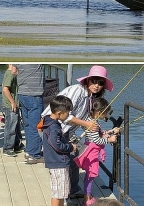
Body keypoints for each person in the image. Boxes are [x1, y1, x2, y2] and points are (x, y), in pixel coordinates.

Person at [41, 65, 114, 199]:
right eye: (94, 81)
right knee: (63, 163)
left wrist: (102, 132)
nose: (96, 85)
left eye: (100, 83)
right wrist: (86, 124)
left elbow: (85, 118)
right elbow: (65, 114)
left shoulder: (90, 97)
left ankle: (72, 189)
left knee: (74, 157)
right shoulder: (78, 91)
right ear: (87, 80)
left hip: (66, 130)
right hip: (55, 128)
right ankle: (65, 193)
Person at [74, 98, 119, 205]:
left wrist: (110, 131)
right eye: (106, 113)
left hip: (91, 150)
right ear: (99, 112)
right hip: (92, 152)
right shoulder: (93, 124)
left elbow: (98, 135)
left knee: (90, 175)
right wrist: (109, 140)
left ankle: (87, 196)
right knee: (91, 175)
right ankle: (87, 199)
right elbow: (96, 140)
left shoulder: (91, 120)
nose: (107, 116)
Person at [42, 95, 77, 206]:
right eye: (67, 112)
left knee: (60, 192)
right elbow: (56, 145)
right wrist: (70, 147)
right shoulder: (54, 127)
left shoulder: (49, 123)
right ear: (59, 113)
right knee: (58, 193)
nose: (68, 115)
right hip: (58, 163)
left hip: (56, 162)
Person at [16, 64, 45, 163]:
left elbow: (12, 70)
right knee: (36, 126)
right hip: (34, 94)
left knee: (28, 125)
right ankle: (34, 155)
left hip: (22, 93)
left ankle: (29, 150)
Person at [2, 65, 24, 157]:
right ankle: (7, 148)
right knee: (10, 127)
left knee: (16, 126)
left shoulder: (12, 73)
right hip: (10, 105)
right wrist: (12, 102)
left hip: (13, 103)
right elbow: (5, 88)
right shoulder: (9, 74)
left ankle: (16, 145)